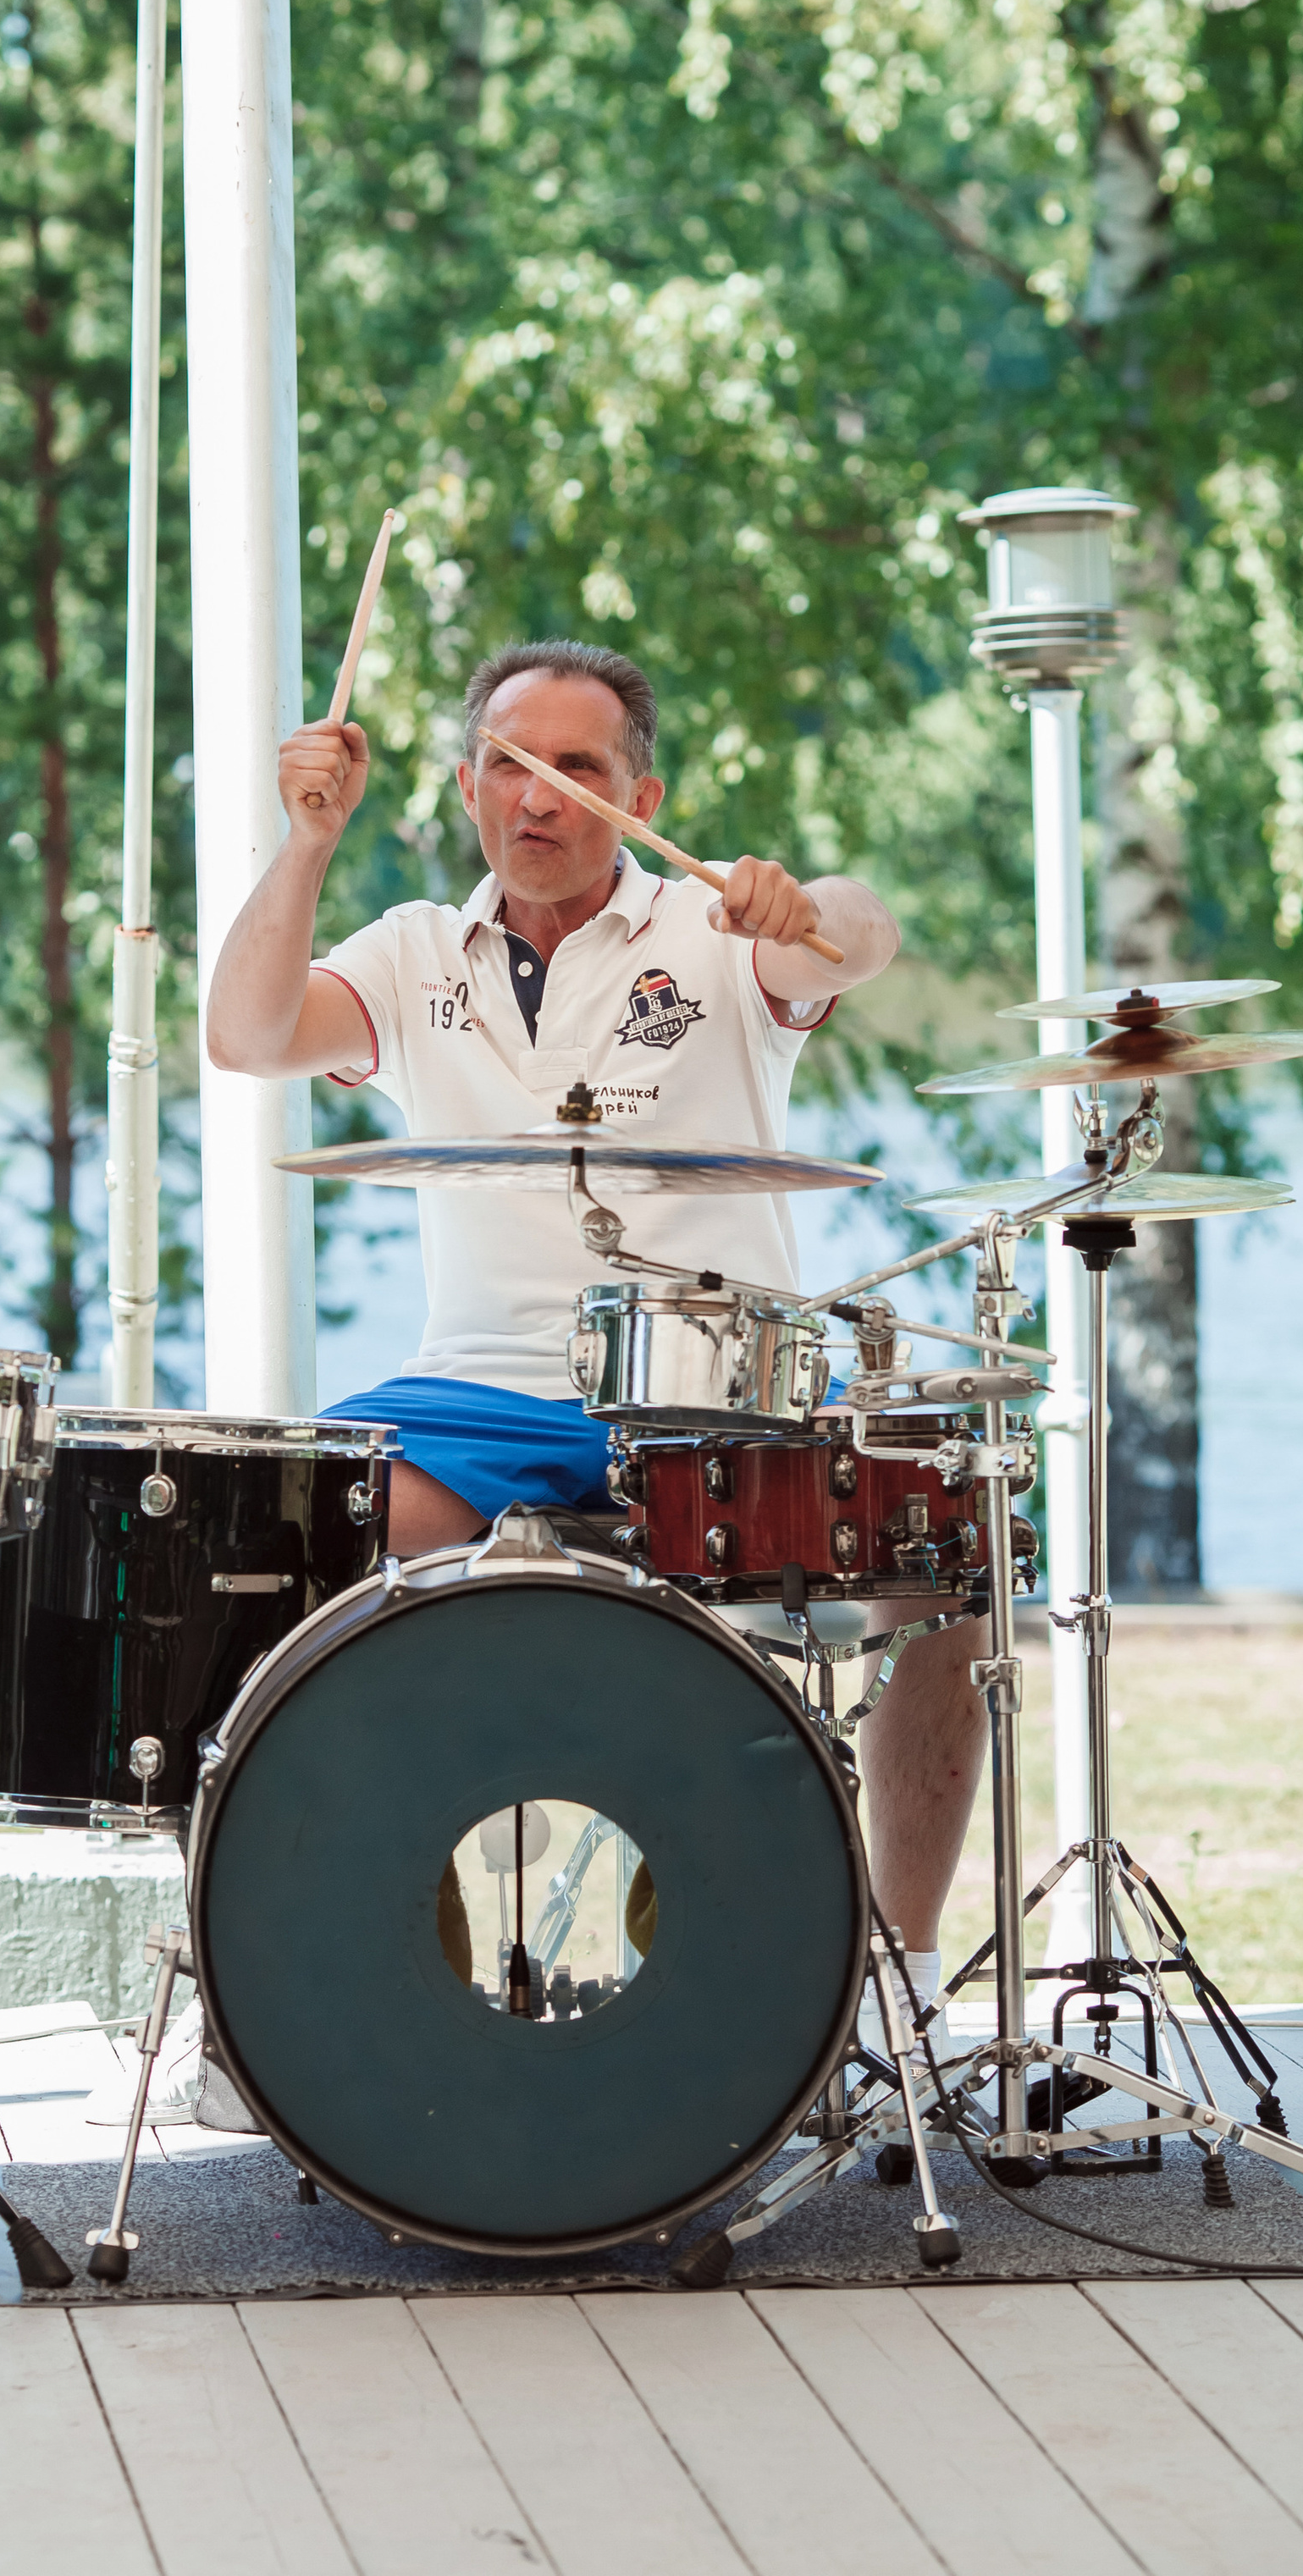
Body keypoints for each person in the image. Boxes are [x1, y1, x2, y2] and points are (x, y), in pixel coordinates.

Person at [204, 637, 986, 2012]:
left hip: (718, 1391)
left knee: (941, 1579)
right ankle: (338, 1971)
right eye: (512, 766)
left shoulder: (719, 934)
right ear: (466, 790)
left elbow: (866, 938)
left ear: (643, 788)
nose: (541, 797)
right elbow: (249, 1034)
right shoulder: (406, 956)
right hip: (484, 1397)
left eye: (580, 767)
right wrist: (307, 842)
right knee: (292, 1537)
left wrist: (807, 909)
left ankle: (898, 1974)